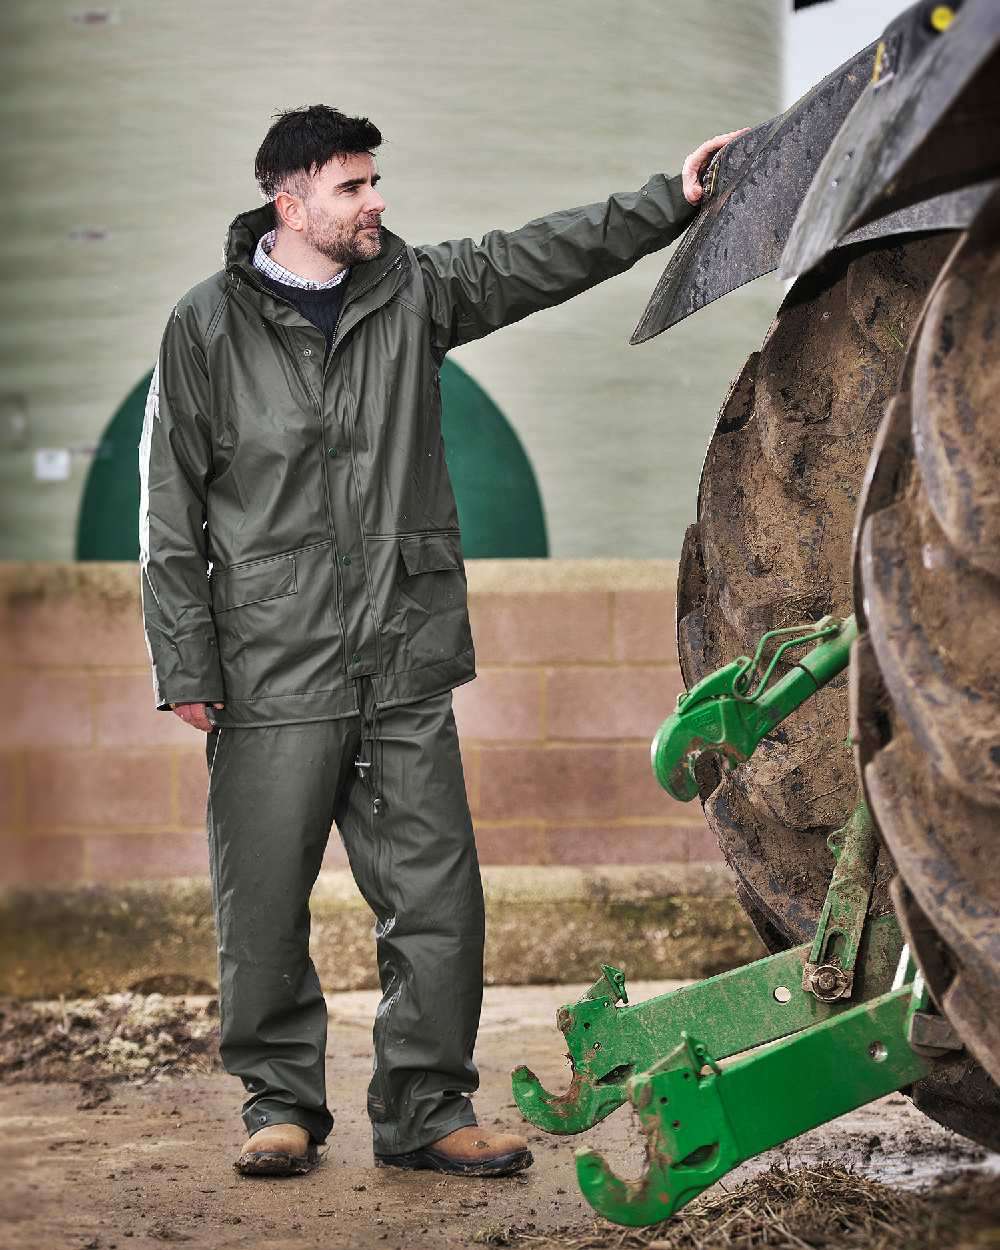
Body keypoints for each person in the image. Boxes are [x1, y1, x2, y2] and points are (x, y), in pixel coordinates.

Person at [139, 105, 744, 1180]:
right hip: (270, 665)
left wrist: (671, 201)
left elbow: (536, 257)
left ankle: (424, 1104)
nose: (377, 202)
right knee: (263, 902)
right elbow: (169, 507)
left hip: (403, 655)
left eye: (376, 182)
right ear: (291, 202)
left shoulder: (411, 291)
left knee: (436, 897)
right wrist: (185, 663)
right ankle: (278, 1103)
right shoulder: (205, 327)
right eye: (353, 187)